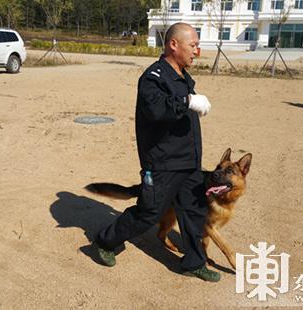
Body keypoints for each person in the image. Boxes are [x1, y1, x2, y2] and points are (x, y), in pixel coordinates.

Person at [94, 23, 220, 282]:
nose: (197, 51)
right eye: (193, 45)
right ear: (174, 44)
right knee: (148, 213)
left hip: (188, 161)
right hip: (162, 163)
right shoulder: (153, 77)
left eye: (197, 45)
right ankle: (105, 242)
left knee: (194, 212)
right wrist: (188, 101)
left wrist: (191, 100)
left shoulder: (182, 76)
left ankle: (194, 262)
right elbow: (156, 109)